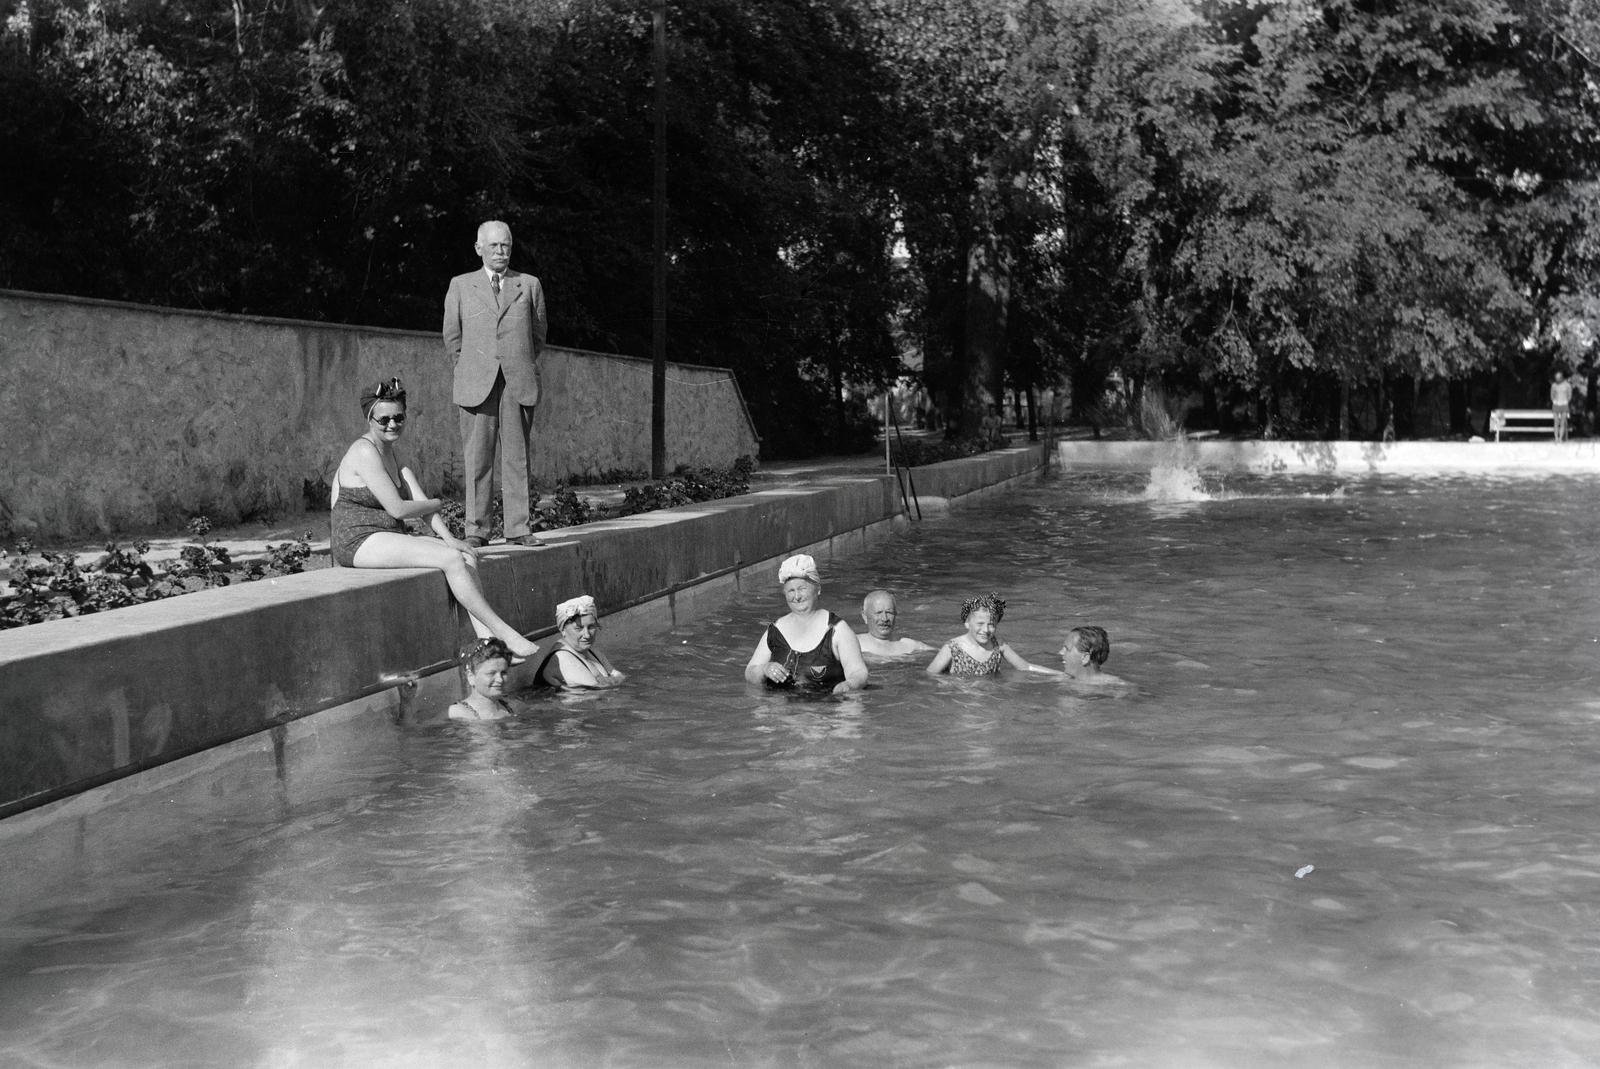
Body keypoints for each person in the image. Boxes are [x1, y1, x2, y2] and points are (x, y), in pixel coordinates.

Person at [332, 376, 539, 660]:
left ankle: (488, 644)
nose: (392, 424)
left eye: (398, 417)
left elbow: (420, 503)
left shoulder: (392, 452)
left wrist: (451, 538)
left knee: (464, 555)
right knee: (451, 560)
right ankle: (503, 632)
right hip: (358, 539)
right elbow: (399, 509)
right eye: (383, 420)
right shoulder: (365, 451)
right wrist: (437, 502)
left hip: (385, 535)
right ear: (369, 420)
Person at [443, 219, 546, 549]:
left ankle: (518, 528)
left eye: (506, 246)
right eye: (494, 246)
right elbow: (452, 337)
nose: (501, 252)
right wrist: (468, 367)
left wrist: (518, 362)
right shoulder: (461, 285)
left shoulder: (528, 285)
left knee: (517, 458)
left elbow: (538, 335)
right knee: (478, 459)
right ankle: (477, 529)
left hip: (517, 381)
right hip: (476, 383)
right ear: (479, 249)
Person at [745, 555, 869, 694]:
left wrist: (849, 685)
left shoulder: (837, 630)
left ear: (818, 589)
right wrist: (764, 669)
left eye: (802, 589)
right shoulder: (775, 630)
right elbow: (750, 672)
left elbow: (858, 672)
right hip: (781, 711)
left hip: (824, 709)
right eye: (791, 591)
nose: (796, 596)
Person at [926, 593, 1060, 676]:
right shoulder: (952, 647)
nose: (986, 629)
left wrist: (1060, 675)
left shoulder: (998, 644)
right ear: (967, 623)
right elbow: (930, 676)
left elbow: (1025, 667)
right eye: (980, 624)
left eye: (991, 624)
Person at [537, 595, 625, 688]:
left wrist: (612, 681)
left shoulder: (590, 651)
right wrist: (612, 681)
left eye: (591, 627)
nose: (587, 635)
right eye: (578, 628)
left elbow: (620, 676)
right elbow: (598, 694)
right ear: (563, 630)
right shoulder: (563, 658)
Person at [449, 638, 516, 720]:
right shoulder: (458, 713)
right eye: (491, 673)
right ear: (471, 677)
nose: (500, 680)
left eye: (503, 673)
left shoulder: (512, 707)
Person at [856, 590, 933, 659]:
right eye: (878, 613)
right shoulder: (853, 644)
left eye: (889, 613)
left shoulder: (913, 646)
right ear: (865, 617)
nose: (884, 619)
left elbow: (942, 654)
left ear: (896, 615)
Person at [1058, 626, 1123, 685]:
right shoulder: (1067, 679)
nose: (1060, 652)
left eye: (1067, 649)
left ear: (1085, 658)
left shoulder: (1117, 687)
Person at [1551, 370, 1574, 442]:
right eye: (1556, 378)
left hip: (1564, 404)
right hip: (1556, 404)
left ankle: (1560, 438)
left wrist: (1566, 401)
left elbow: (1569, 395)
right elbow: (1552, 395)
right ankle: (1556, 438)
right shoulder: (1554, 385)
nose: (1557, 379)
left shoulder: (1567, 385)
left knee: (1563, 422)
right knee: (1556, 422)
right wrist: (1554, 401)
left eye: (1558, 378)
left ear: (1562, 378)